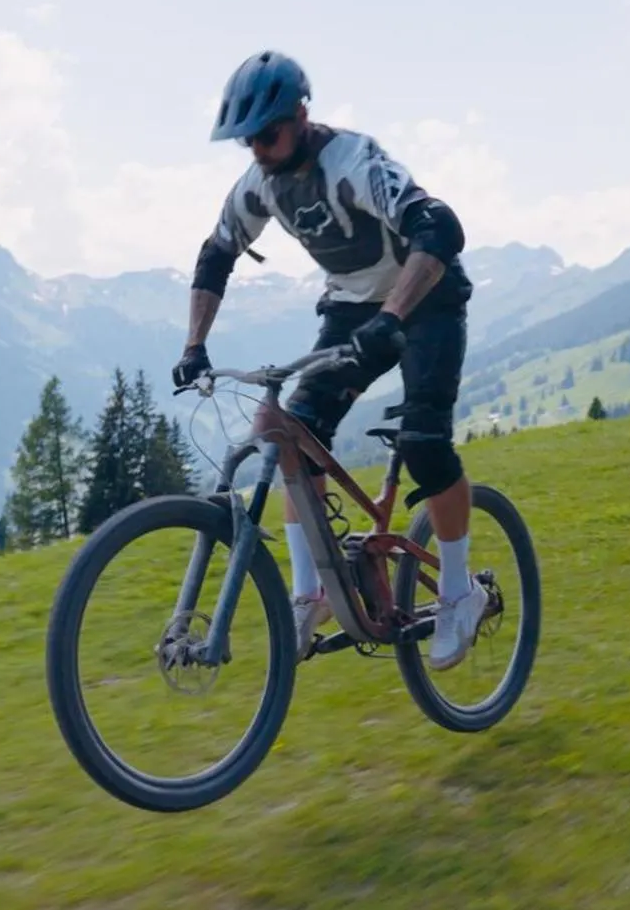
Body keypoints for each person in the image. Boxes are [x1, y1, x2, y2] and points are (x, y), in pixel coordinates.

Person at [171, 50, 487, 670]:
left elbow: (440, 230)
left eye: (269, 134)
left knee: (424, 442)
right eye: (248, 141)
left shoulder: (353, 162)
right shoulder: (258, 184)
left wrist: (393, 316)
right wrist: (193, 346)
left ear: (301, 114)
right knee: (285, 434)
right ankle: (310, 592)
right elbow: (216, 256)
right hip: (351, 308)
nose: (258, 149)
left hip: (426, 300)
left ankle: (458, 593)